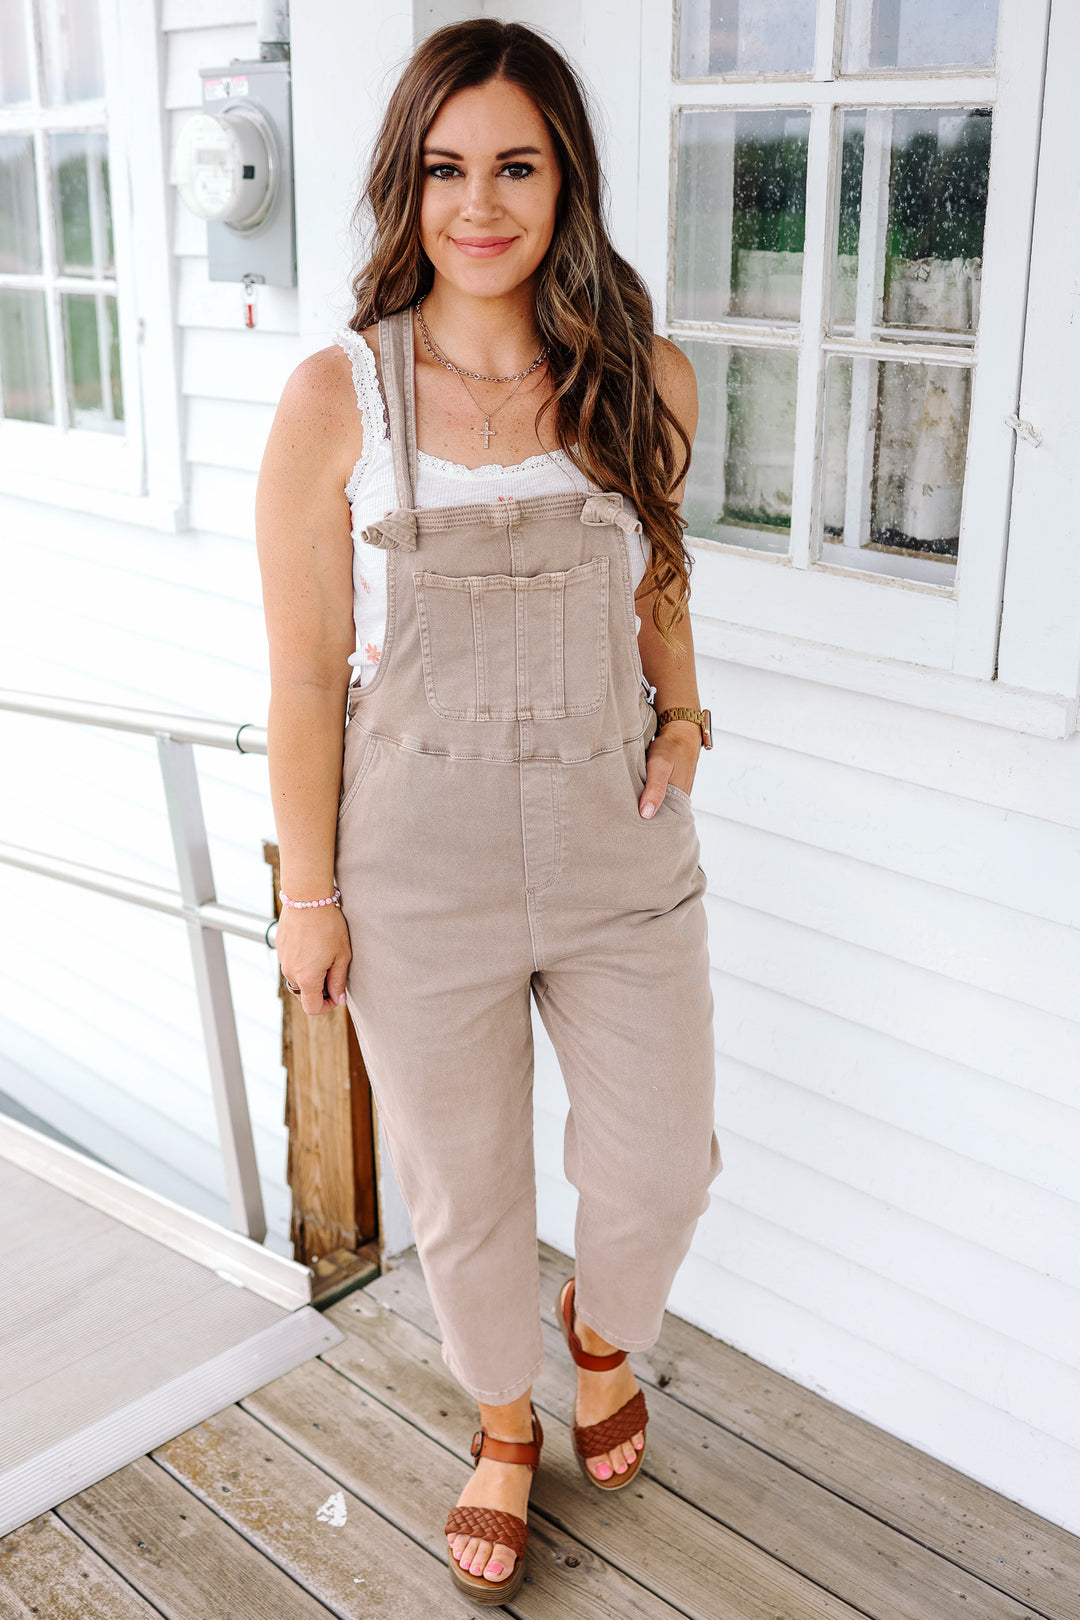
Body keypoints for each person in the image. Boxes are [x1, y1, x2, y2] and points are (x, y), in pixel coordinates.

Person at [255, 18, 722, 1605]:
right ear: (408, 185)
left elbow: (659, 577)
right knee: (463, 1190)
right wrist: (308, 897)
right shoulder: (337, 398)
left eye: (516, 165)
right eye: (447, 168)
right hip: (413, 859)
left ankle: (602, 1331)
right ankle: (505, 1422)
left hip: (616, 844)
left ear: (564, 178)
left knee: (660, 1166)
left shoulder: (644, 376)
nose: (480, 203)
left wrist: (684, 715)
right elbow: (304, 676)